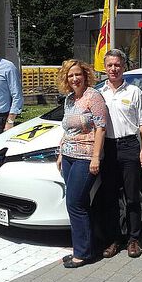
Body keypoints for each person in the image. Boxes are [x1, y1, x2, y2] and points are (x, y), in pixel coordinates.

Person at [100, 49, 142, 259]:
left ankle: (134, 239)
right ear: (105, 68)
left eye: (118, 65)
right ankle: (114, 239)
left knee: (132, 196)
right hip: (108, 148)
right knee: (110, 197)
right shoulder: (99, 93)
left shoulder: (134, 92)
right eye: (110, 65)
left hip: (130, 145)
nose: (114, 69)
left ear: (124, 67)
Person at [56, 59, 107, 268]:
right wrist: (60, 153)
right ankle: (84, 247)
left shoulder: (93, 96)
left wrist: (96, 157)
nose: (75, 78)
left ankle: (83, 253)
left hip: (85, 156)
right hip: (68, 155)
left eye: (78, 74)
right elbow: (67, 129)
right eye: (70, 75)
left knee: (74, 203)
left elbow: (101, 128)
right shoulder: (69, 99)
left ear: (85, 75)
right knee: (80, 203)